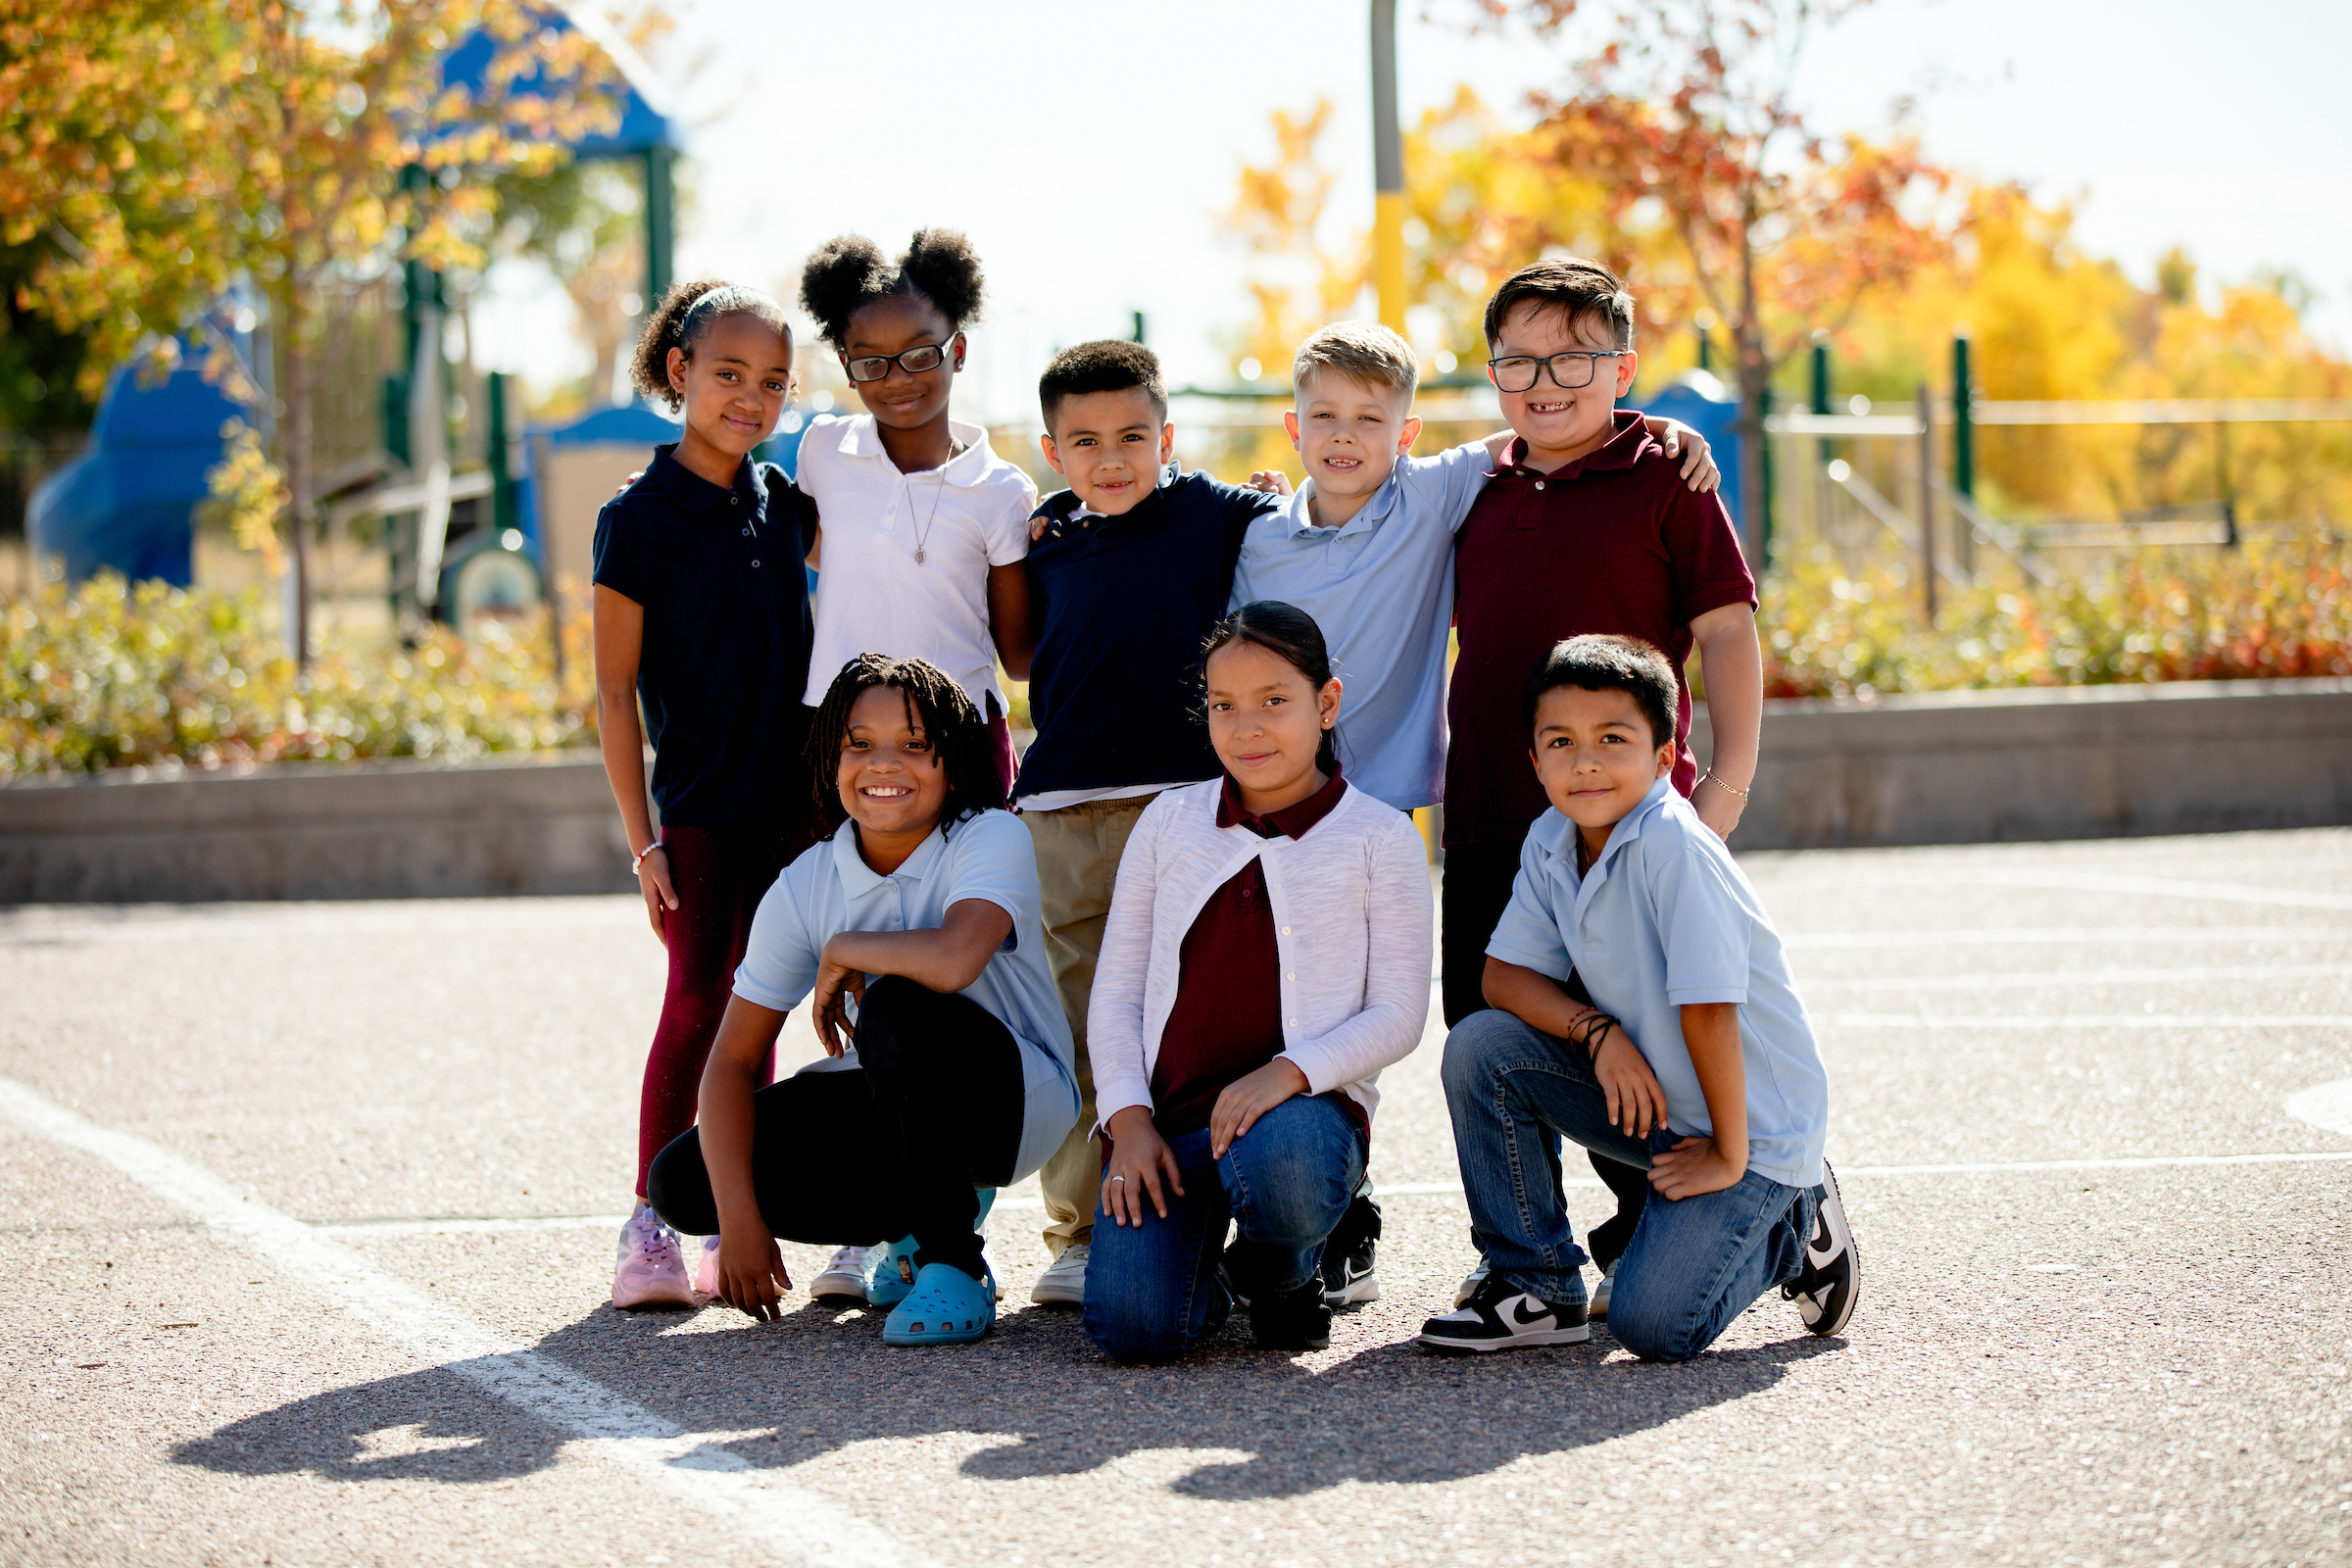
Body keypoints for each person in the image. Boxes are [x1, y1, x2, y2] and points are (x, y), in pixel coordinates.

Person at [1228, 320, 1718, 1304]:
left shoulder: (1437, 488)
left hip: (1388, 817)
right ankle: (1338, 1214)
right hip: (1278, 820)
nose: (1345, 435)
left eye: (1371, 418)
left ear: (1405, 435)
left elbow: (1550, 427)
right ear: (1290, 424)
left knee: (1427, 1017)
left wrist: (1661, 426)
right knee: (1295, 1013)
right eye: (1323, 415)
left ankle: (1621, 1225)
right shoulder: (1253, 538)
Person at [1442, 258, 1765, 1312]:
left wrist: (1726, 786)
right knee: (1490, 1036)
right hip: (1494, 810)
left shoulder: (1670, 477)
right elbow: (1354, 495)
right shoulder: (1474, 484)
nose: (1546, 379)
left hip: (1628, 825)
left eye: (1574, 357)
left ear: (1621, 368)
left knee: (1649, 1033)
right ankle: (1528, 1271)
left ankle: (1682, 1218)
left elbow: (1725, 630)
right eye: (1520, 359)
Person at [1417, 635, 1856, 1357]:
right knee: (1481, 1046)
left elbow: (1709, 1008)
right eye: (1560, 741)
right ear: (1535, 761)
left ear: (1663, 758)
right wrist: (1596, 1032)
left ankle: (1795, 1215)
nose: (1585, 760)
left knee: (1655, 1327)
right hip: (1659, 1100)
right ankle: (1537, 1286)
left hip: (1749, 1125)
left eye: (1612, 738)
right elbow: (1502, 978)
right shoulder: (1553, 837)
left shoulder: (1673, 846)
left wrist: (1728, 1156)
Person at [644, 654, 1080, 1347]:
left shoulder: (989, 834)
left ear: (952, 761)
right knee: (683, 1183)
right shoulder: (807, 882)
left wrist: (847, 947)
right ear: (829, 757)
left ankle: (955, 1266)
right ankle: (910, 1228)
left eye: (914, 745)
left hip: (1017, 1102)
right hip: (891, 1096)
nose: (884, 764)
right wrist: (742, 1219)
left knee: (898, 1008)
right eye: (859, 744)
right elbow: (730, 1063)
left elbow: (955, 957)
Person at [998, 341, 1281, 1309]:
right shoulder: (1045, 542)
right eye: (1084, 442)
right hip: (1063, 814)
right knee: (1079, 1025)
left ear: (1169, 436)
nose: (1110, 458)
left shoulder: (1214, 513)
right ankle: (1079, 1232)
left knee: (1193, 1023)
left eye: (1132, 436)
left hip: (1185, 809)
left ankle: (1211, 1224)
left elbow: (1335, 507)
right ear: (1052, 449)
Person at [1083, 603, 1431, 1361]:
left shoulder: (1379, 837)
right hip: (1172, 1127)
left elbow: (1401, 1015)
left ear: (1326, 703)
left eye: (1275, 701)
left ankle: (1285, 1270)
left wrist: (1288, 1072)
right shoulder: (1168, 823)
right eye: (1223, 706)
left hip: (1296, 1122)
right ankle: (1210, 1272)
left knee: (1287, 1161)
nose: (1247, 729)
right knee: (1133, 1330)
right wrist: (1128, 1121)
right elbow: (1115, 995)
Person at [593, 281, 820, 1310]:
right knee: (696, 1007)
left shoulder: (784, 507)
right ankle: (651, 1223)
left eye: (772, 381)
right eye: (729, 374)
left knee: (762, 1018)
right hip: (697, 813)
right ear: (679, 371)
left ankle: (744, 1217)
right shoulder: (635, 520)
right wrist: (643, 846)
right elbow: (610, 695)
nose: (752, 398)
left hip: (799, 811)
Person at [795, 229, 1036, 796]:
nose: (898, 378)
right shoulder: (822, 450)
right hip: (841, 738)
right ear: (846, 365)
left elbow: (1021, 658)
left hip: (961, 741)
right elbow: (781, 527)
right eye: (872, 362)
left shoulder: (1003, 490)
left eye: (920, 354)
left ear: (957, 350)